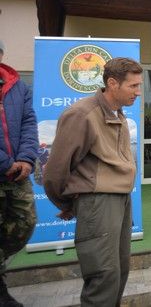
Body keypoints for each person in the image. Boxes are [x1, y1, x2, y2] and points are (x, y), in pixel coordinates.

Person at [44, 57, 143, 306]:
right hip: (98, 202)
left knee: (118, 272)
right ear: (113, 83)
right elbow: (55, 170)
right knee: (103, 277)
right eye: (133, 86)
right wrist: (68, 203)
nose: (138, 92)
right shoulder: (82, 114)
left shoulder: (117, 113)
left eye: (139, 85)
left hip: (120, 199)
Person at [0, 40, 38, 307]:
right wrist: (5, 162)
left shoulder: (17, 86)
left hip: (18, 173)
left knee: (26, 222)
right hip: (6, 166)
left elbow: (28, 122)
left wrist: (25, 158)